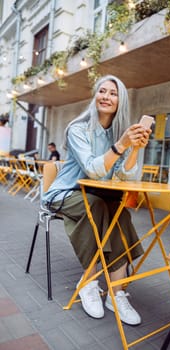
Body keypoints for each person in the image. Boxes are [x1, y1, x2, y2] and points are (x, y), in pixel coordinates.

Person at [43, 75, 151, 325]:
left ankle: (116, 294)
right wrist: (121, 145)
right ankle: (91, 282)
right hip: (63, 194)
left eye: (113, 93)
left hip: (95, 197)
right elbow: (93, 170)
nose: (106, 96)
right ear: (95, 97)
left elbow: (125, 175)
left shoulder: (117, 133)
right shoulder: (78, 129)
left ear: (120, 101)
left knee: (119, 212)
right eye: (102, 91)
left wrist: (134, 148)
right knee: (99, 207)